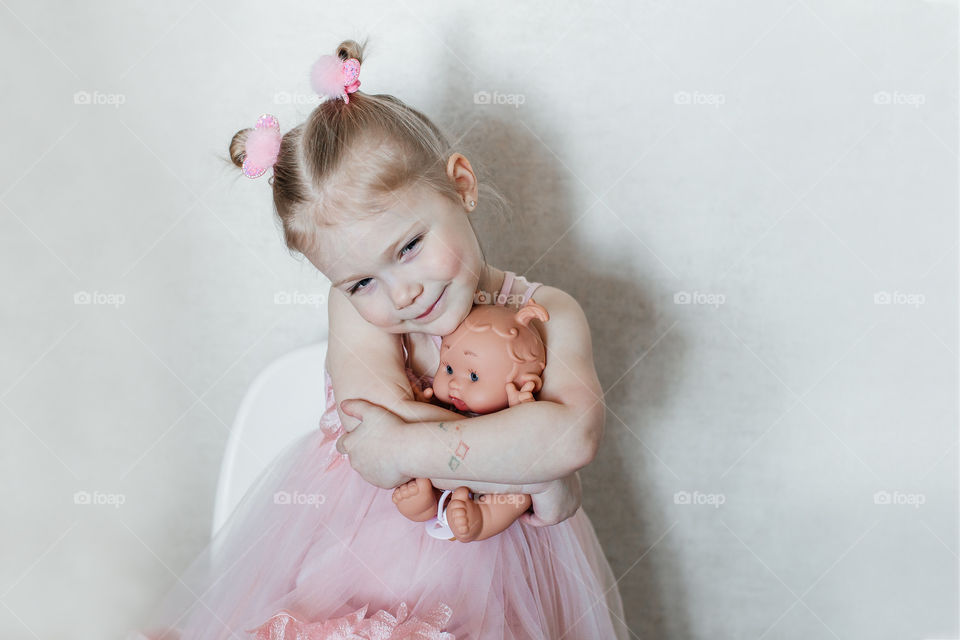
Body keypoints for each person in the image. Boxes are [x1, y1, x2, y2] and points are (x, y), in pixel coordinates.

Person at [131, 39, 628, 640]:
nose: (401, 296)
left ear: (461, 185)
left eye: (409, 247)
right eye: (363, 280)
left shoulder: (547, 313)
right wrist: (538, 474)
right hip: (362, 564)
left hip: (506, 577)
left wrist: (417, 447)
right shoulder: (355, 314)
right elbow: (376, 452)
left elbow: (572, 433)